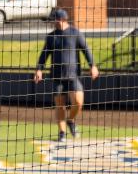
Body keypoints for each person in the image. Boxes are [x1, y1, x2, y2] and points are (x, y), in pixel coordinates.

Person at [34, 8, 99, 142]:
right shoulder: (51, 36)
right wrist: (39, 69)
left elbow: (86, 50)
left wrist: (92, 65)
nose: (53, 22)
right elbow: (44, 55)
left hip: (73, 75)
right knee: (60, 105)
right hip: (57, 76)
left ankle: (71, 120)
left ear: (62, 19)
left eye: (54, 19)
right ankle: (62, 132)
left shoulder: (75, 33)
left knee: (79, 102)